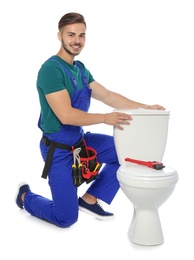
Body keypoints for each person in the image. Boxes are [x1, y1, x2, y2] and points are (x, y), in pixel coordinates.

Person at [15, 12, 165, 228]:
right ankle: (24, 197)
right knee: (66, 218)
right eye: (71, 35)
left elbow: (108, 96)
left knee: (127, 154)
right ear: (59, 36)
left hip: (80, 141)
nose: (77, 41)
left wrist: (144, 107)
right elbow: (66, 115)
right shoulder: (51, 70)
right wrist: (106, 118)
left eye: (82, 35)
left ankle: (89, 199)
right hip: (58, 150)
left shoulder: (81, 70)